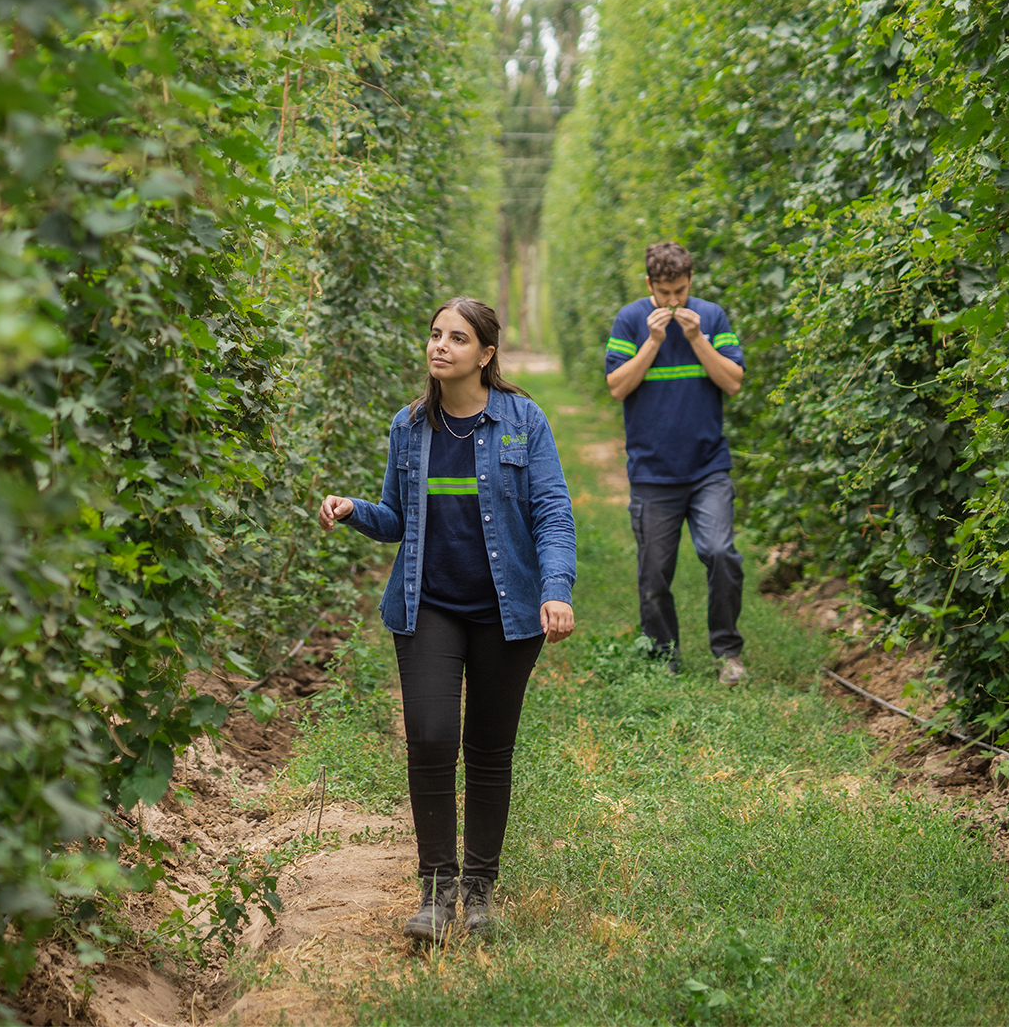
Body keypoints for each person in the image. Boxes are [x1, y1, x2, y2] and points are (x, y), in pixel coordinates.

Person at [318, 296, 576, 943]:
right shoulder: (409, 426)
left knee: (489, 749)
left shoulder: (523, 421)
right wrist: (356, 510)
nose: (440, 347)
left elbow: (551, 511)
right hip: (428, 604)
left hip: (506, 611)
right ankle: (435, 890)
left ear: (485, 354)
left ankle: (479, 890)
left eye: (457, 338)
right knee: (431, 738)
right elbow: (400, 518)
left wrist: (555, 588)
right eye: (435, 335)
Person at [603, 241, 748, 685]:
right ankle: (662, 656)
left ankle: (728, 653)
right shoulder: (629, 320)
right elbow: (617, 387)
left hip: (708, 467)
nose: (673, 302)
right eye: (664, 293)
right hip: (652, 472)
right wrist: (653, 341)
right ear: (649, 285)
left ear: (690, 283)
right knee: (654, 574)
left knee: (721, 553)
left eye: (680, 292)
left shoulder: (712, 316)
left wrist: (696, 337)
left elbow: (733, 382)